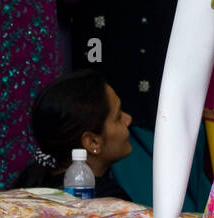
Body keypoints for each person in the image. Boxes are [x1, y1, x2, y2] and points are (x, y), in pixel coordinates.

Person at [11, 70, 133, 200]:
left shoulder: (28, 191)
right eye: (118, 117)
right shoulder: (111, 205)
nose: (129, 119)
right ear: (92, 142)